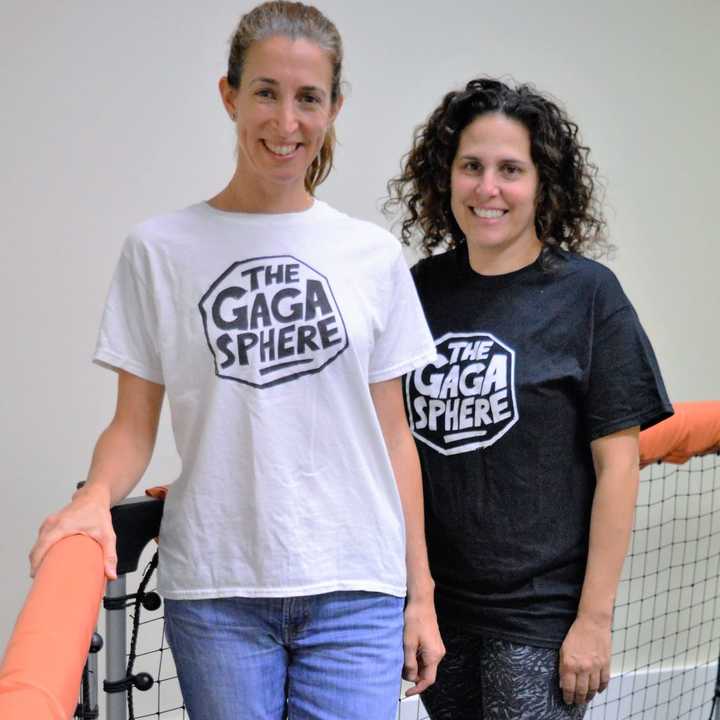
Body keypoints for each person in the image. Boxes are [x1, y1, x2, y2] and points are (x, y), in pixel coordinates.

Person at [28, 3, 444, 718]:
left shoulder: (371, 255)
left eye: (308, 98)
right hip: (218, 590)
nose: (286, 123)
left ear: (334, 107)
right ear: (230, 95)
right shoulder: (160, 250)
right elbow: (133, 425)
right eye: (266, 92)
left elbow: (394, 436)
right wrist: (94, 497)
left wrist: (422, 594)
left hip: (356, 589)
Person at [385, 78, 673, 719]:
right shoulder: (418, 291)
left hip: (540, 619)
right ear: (445, 177)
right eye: (472, 167)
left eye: (510, 170)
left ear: (544, 184)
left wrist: (594, 621)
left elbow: (618, 466)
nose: (488, 188)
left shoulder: (589, 295)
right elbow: (382, 434)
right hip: (440, 611)